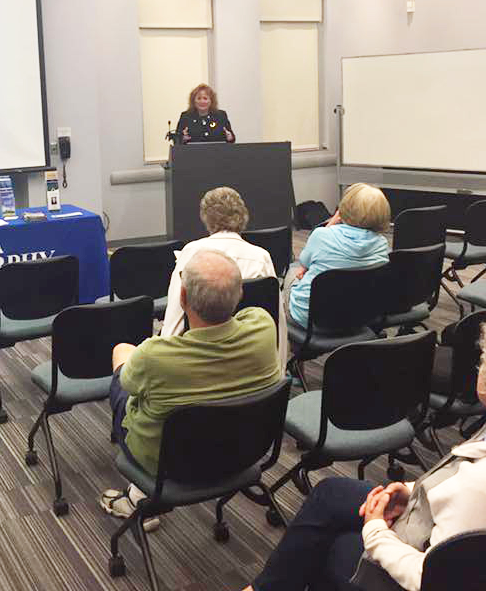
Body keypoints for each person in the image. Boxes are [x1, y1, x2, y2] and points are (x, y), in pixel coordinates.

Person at [183, 309, 486, 591]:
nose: (478, 367)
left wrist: (376, 532)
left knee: (328, 550)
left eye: (485, 361)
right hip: (448, 537)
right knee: (331, 494)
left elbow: (435, 581)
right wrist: (413, 491)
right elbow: (462, 498)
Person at [100, 250, 281, 528]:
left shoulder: (155, 356)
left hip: (169, 464)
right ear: (240, 295)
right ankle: (137, 494)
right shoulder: (263, 325)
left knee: (122, 358)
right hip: (244, 449)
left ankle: (137, 498)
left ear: (182, 298)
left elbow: (128, 384)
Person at [161, 186, 287, 370]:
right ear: (242, 216)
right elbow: (277, 321)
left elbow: (174, 322)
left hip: (199, 360)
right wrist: (279, 370)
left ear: (206, 218)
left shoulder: (190, 253)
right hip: (248, 359)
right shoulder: (261, 257)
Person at [287, 182, 390, 328]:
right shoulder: (382, 244)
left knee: (292, 272)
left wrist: (332, 222)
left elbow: (304, 263)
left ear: (343, 209)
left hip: (313, 321)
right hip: (359, 318)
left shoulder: (322, 235)